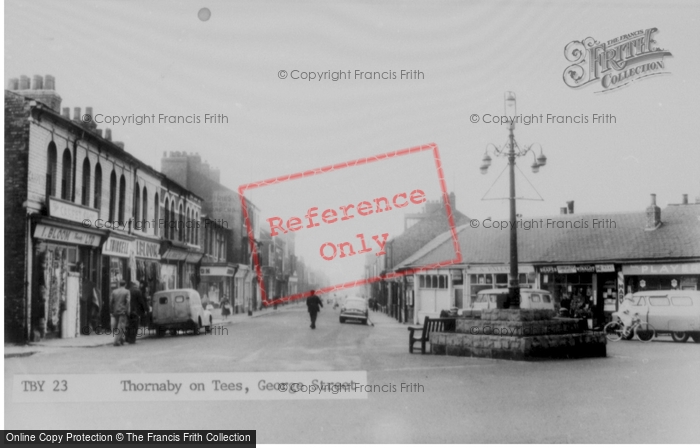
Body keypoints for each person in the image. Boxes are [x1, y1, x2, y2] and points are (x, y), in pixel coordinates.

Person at [110, 280, 131, 346]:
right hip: (122, 311)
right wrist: (127, 310)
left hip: (115, 311)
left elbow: (111, 302)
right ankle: (116, 341)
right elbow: (128, 302)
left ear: (119, 284)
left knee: (118, 326)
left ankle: (121, 340)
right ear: (125, 284)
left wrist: (111, 310)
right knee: (121, 326)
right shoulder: (127, 291)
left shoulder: (114, 291)